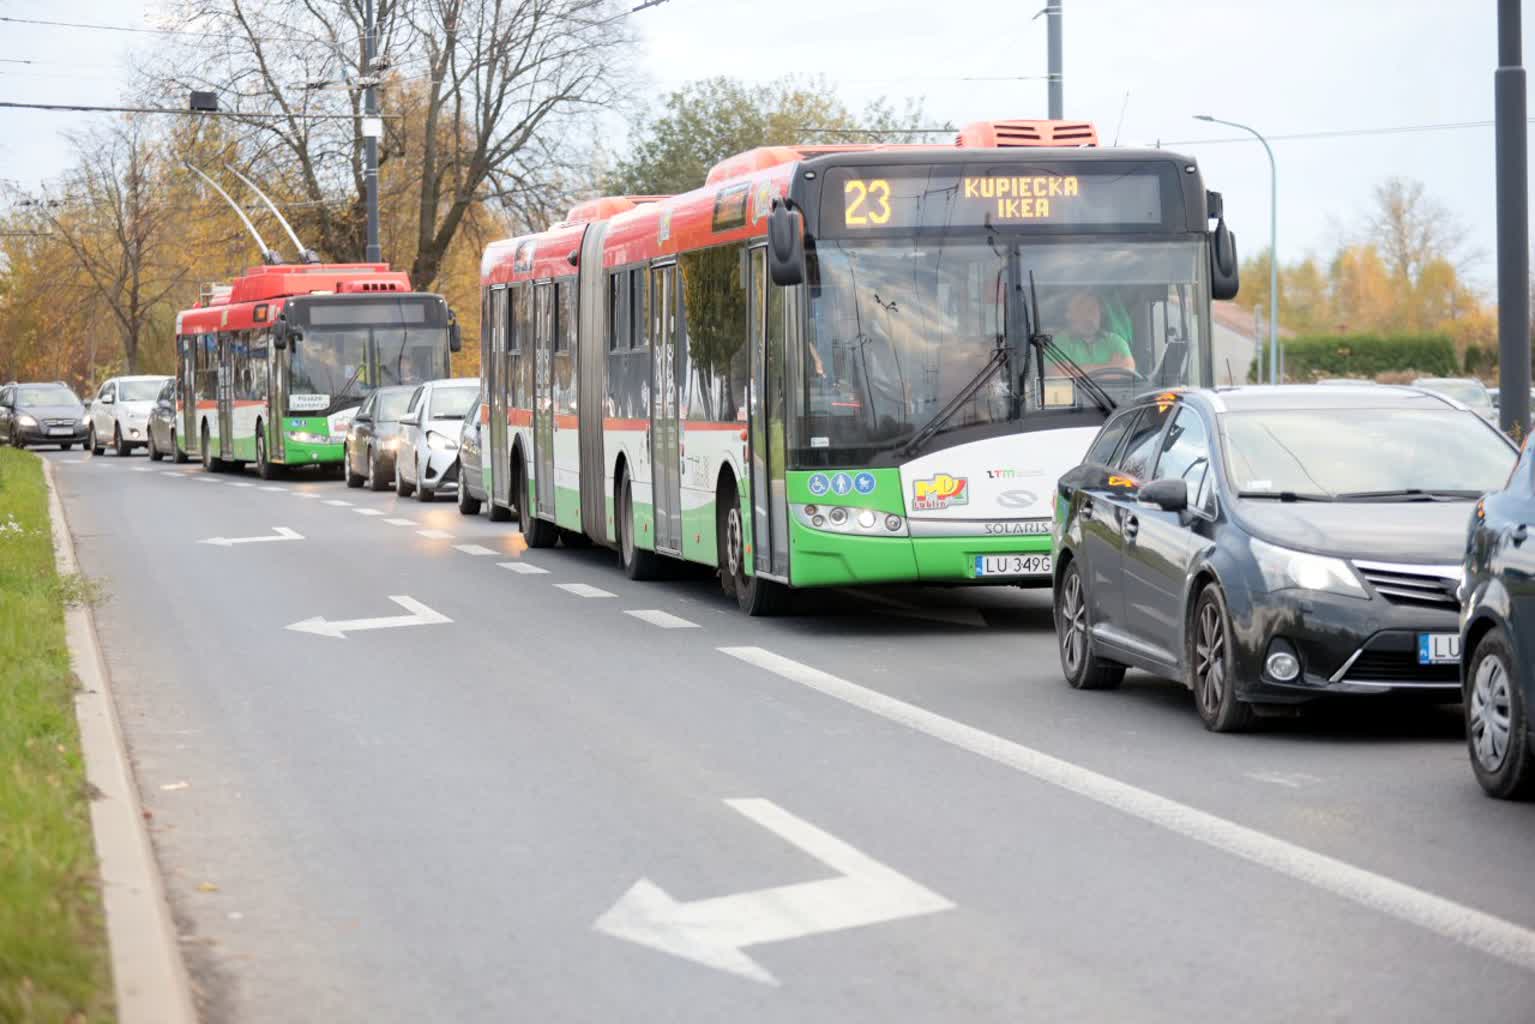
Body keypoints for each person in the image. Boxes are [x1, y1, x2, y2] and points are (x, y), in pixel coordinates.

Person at [1054, 292, 1135, 373]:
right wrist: (1111, 366)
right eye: (1082, 311)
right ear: (1068, 315)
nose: (1089, 317)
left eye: (1093, 310)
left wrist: (1074, 371)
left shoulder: (1115, 341)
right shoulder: (1059, 343)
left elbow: (1128, 372)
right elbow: (1058, 374)